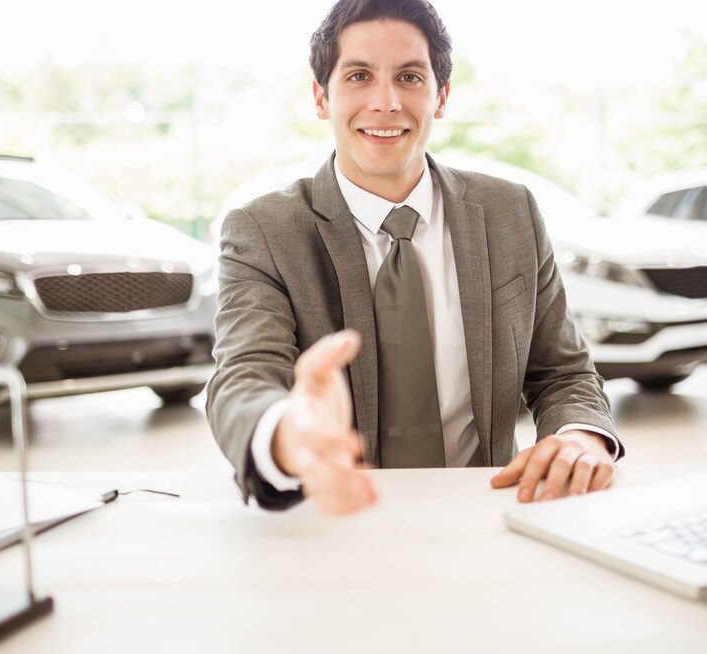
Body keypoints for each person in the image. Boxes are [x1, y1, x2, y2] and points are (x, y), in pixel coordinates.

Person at [206, 0, 623, 516]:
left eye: (409, 77)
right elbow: (242, 376)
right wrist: (288, 434)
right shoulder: (264, 230)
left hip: (484, 514)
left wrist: (582, 438)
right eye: (359, 75)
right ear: (321, 97)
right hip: (336, 522)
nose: (386, 102)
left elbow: (562, 372)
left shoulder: (510, 212)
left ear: (440, 96)